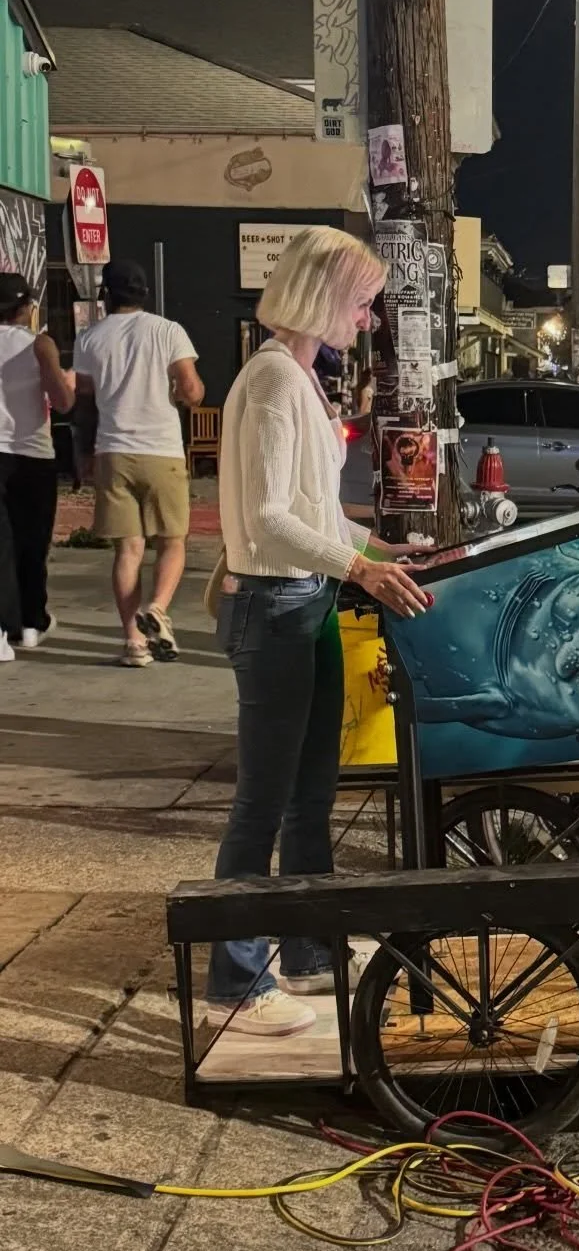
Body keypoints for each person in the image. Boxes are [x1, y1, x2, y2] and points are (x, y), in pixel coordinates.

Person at [208, 227, 430, 1036]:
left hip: (303, 602)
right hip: (275, 606)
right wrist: (361, 566)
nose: (367, 319)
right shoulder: (274, 377)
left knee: (310, 794)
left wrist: (375, 550)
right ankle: (236, 979)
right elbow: (270, 518)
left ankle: (305, 949)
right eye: (362, 301)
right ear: (322, 294)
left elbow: (316, 512)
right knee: (265, 801)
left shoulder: (297, 375)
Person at [73, 261, 204, 667]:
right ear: (145, 293)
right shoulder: (168, 331)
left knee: (128, 550)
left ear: (106, 295)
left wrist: (85, 454)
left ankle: (133, 642)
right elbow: (191, 390)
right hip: (162, 450)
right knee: (172, 541)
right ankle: (158, 608)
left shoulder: (89, 338)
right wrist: (184, 393)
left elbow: (84, 400)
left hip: (112, 450)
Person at [0, 274, 74, 660]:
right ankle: (31, 623)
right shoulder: (39, 344)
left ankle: (3, 626)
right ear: (26, 307)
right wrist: (68, 382)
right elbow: (62, 402)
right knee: (32, 541)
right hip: (32, 454)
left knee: (2, 544)